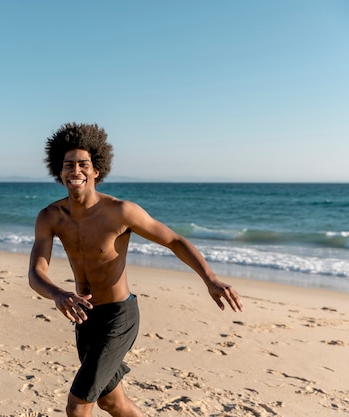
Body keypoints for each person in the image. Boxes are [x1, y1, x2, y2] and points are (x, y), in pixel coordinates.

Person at [28, 122, 244, 417]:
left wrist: (211, 278)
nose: (75, 171)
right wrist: (57, 294)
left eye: (83, 164)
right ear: (59, 171)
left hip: (119, 316)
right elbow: (36, 273)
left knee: (78, 406)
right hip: (85, 317)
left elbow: (175, 240)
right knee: (111, 402)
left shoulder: (120, 211)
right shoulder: (50, 217)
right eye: (68, 165)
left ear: (96, 171)